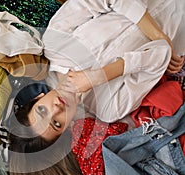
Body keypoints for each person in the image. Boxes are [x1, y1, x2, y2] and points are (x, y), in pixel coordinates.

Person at [25, 0, 185, 142]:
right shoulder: (109, 109)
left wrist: (157, 34)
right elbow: (161, 53)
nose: (56, 110)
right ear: (68, 128)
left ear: (38, 98)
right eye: (56, 123)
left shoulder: (54, 45)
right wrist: (100, 76)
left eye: (42, 110)